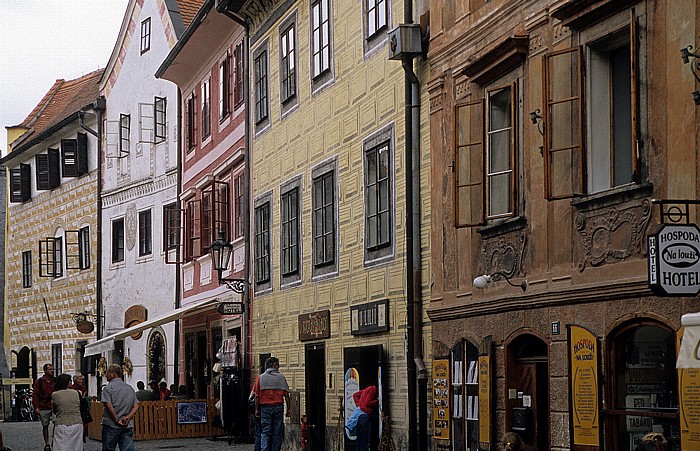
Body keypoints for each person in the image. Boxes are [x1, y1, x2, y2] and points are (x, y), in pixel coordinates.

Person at [253, 357, 290, 451]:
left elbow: (257, 395)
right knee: (277, 433)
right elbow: (286, 395)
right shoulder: (281, 377)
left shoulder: (260, 378)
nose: (279, 367)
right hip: (278, 407)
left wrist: (257, 409)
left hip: (265, 407)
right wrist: (289, 409)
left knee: (265, 432)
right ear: (274, 366)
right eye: (278, 365)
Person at [101, 364, 139, 451]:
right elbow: (136, 406)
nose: (106, 375)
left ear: (113, 374)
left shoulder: (107, 388)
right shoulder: (129, 388)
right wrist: (128, 417)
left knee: (108, 448)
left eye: (108, 373)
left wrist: (116, 420)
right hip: (127, 424)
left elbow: (109, 406)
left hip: (111, 424)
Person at [51, 373, 83, 451]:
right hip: (76, 422)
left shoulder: (55, 394)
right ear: (67, 382)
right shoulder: (77, 392)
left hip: (61, 422)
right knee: (76, 446)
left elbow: (54, 409)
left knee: (60, 446)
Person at [348, 386, 379, 451]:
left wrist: (359, 405)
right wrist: (376, 401)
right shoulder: (373, 389)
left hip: (360, 415)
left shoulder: (365, 390)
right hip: (364, 415)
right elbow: (367, 403)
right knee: (364, 439)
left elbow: (355, 395)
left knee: (360, 439)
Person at [32, 363, 55, 451]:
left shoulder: (55, 381)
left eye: (52, 369)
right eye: (50, 369)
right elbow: (35, 395)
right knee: (45, 425)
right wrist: (36, 407)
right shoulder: (39, 381)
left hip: (53, 406)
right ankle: (47, 443)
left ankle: (55, 440)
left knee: (57, 424)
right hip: (43, 406)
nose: (52, 371)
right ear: (45, 370)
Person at [69, 373, 89, 443]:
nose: (81, 381)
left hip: (82, 407)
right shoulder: (72, 388)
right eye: (79, 379)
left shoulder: (83, 387)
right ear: (75, 380)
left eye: (82, 379)